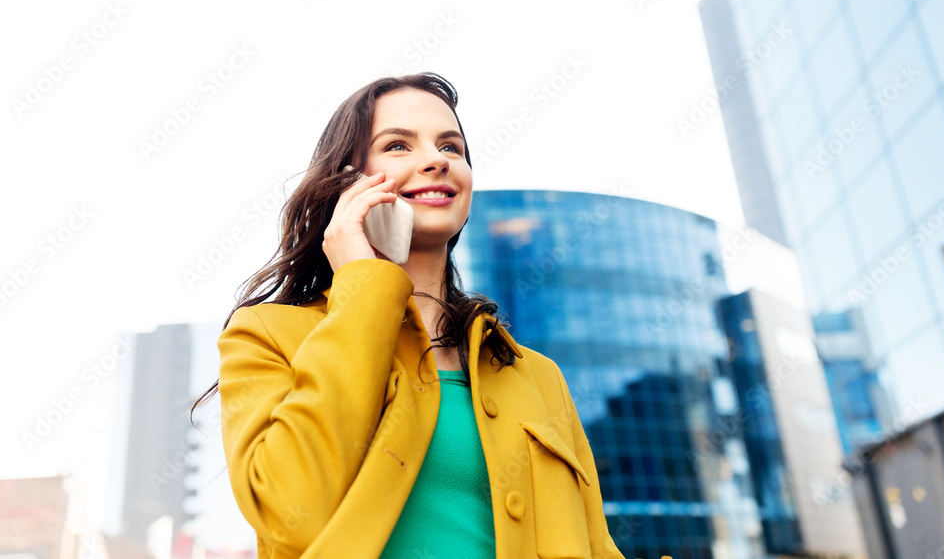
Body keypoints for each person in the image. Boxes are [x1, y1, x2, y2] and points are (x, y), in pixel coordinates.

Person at [190, 72, 625, 558]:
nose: (437, 160)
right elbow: (292, 514)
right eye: (398, 145)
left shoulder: (539, 376)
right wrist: (364, 287)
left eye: (452, 148)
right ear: (346, 183)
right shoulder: (269, 336)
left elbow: (597, 548)